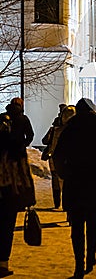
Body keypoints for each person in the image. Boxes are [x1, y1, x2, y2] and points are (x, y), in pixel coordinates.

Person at [53, 98, 96, 279]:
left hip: (74, 184)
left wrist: (65, 174)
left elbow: (58, 156)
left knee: (77, 227)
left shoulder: (69, 131)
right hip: (94, 183)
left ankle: (79, 264)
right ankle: (91, 257)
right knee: (93, 222)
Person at [0, 99, 36, 278]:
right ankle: (2, 263)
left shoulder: (2, 119)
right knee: (7, 227)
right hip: (10, 193)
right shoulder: (23, 120)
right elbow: (30, 136)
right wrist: (29, 199)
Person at [41, 105, 76, 209]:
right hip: (69, 158)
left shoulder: (56, 128)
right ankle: (68, 206)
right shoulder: (75, 130)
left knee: (56, 179)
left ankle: (57, 202)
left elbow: (45, 141)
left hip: (55, 156)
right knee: (68, 181)